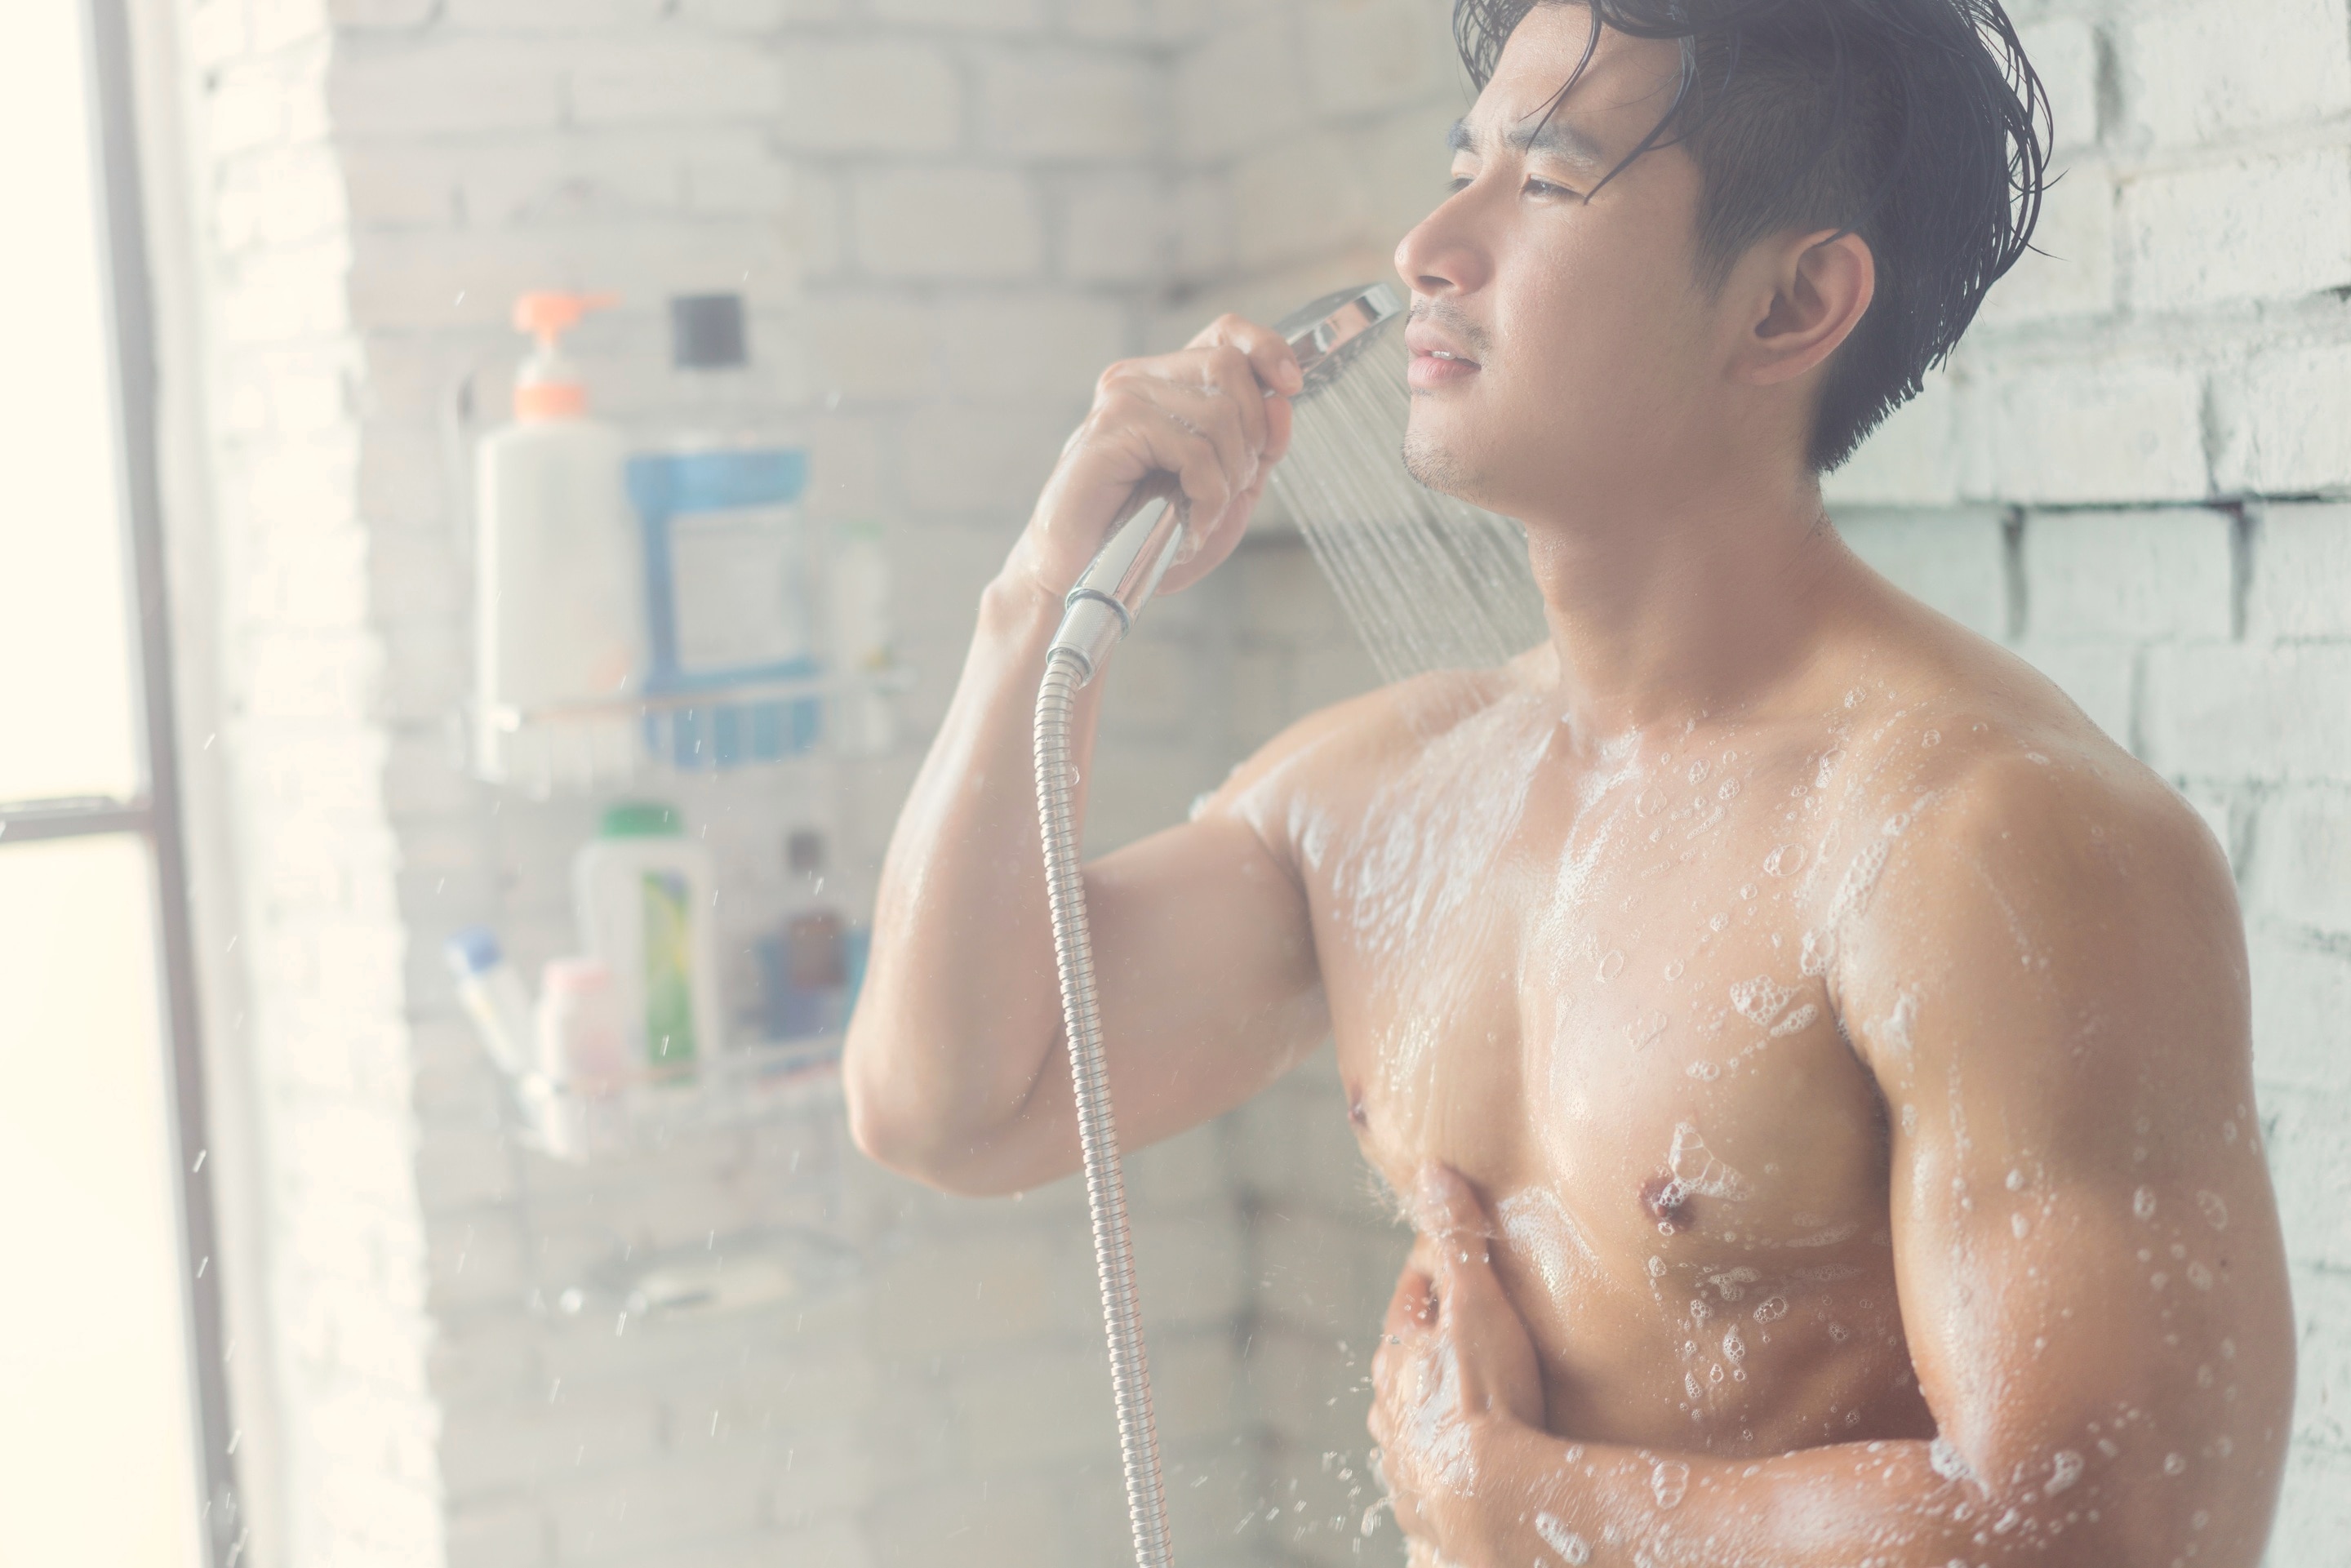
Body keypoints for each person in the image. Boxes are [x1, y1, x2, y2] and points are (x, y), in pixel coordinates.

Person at [843, 0, 2297, 1561]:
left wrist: (1523, 1508)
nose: (1425, 246)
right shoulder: (1386, 803)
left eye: (1541, 182)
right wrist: (1036, 596)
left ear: (1793, 302)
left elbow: (2124, 1531)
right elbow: (955, 1102)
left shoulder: (1988, 841)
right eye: (1459, 164)